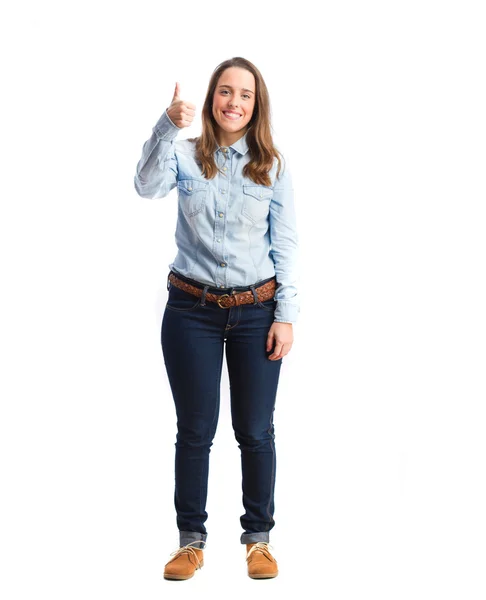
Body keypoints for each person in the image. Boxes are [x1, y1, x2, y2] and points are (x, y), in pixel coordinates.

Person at [133, 56, 299, 580]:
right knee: (195, 429)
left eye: (245, 95)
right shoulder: (184, 156)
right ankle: (191, 542)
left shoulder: (271, 165)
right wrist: (166, 124)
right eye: (225, 92)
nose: (234, 102)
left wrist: (286, 314)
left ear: (257, 105)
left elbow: (286, 244)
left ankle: (258, 541)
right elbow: (145, 185)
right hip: (190, 312)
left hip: (257, 313)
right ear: (211, 100)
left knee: (255, 429)